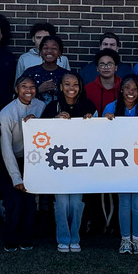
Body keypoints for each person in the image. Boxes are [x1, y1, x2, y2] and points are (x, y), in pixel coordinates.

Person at [44, 72, 97, 252]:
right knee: (61, 203)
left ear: (80, 87)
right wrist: (55, 121)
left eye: (75, 84)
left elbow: (100, 134)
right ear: (60, 87)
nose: (71, 88)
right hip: (59, 163)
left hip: (81, 163)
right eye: (67, 84)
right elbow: (40, 132)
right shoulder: (53, 107)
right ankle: (63, 238)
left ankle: (75, 238)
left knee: (75, 202)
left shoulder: (88, 106)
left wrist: (92, 122)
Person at [103, 73, 138, 255]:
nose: (130, 92)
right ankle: (125, 240)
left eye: (134, 89)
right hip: (120, 163)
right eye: (127, 88)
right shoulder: (111, 108)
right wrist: (105, 121)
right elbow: (99, 134)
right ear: (121, 89)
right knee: (124, 202)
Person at [0, 74, 46, 251]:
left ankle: (27, 238)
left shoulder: (41, 106)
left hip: (34, 160)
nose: (28, 90)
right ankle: (10, 239)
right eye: (24, 86)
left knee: (29, 201)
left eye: (32, 87)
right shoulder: (7, 112)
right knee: (13, 202)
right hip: (12, 160)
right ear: (16, 89)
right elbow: (6, 148)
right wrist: (16, 177)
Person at [27, 34, 68, 102]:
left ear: (59, 53)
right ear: (40, 52)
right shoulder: (30, 73)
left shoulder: (66, 75)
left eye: (54, 48)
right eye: (45, 48)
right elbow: (19, 95)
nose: (49, 51)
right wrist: (38, 90)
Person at [84, 48, 123, 114]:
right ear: (97, 68)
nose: (106, 67)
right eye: (102, 64)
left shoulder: (124, 88)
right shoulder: (87, 89)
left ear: (116, 67)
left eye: (110, 64)